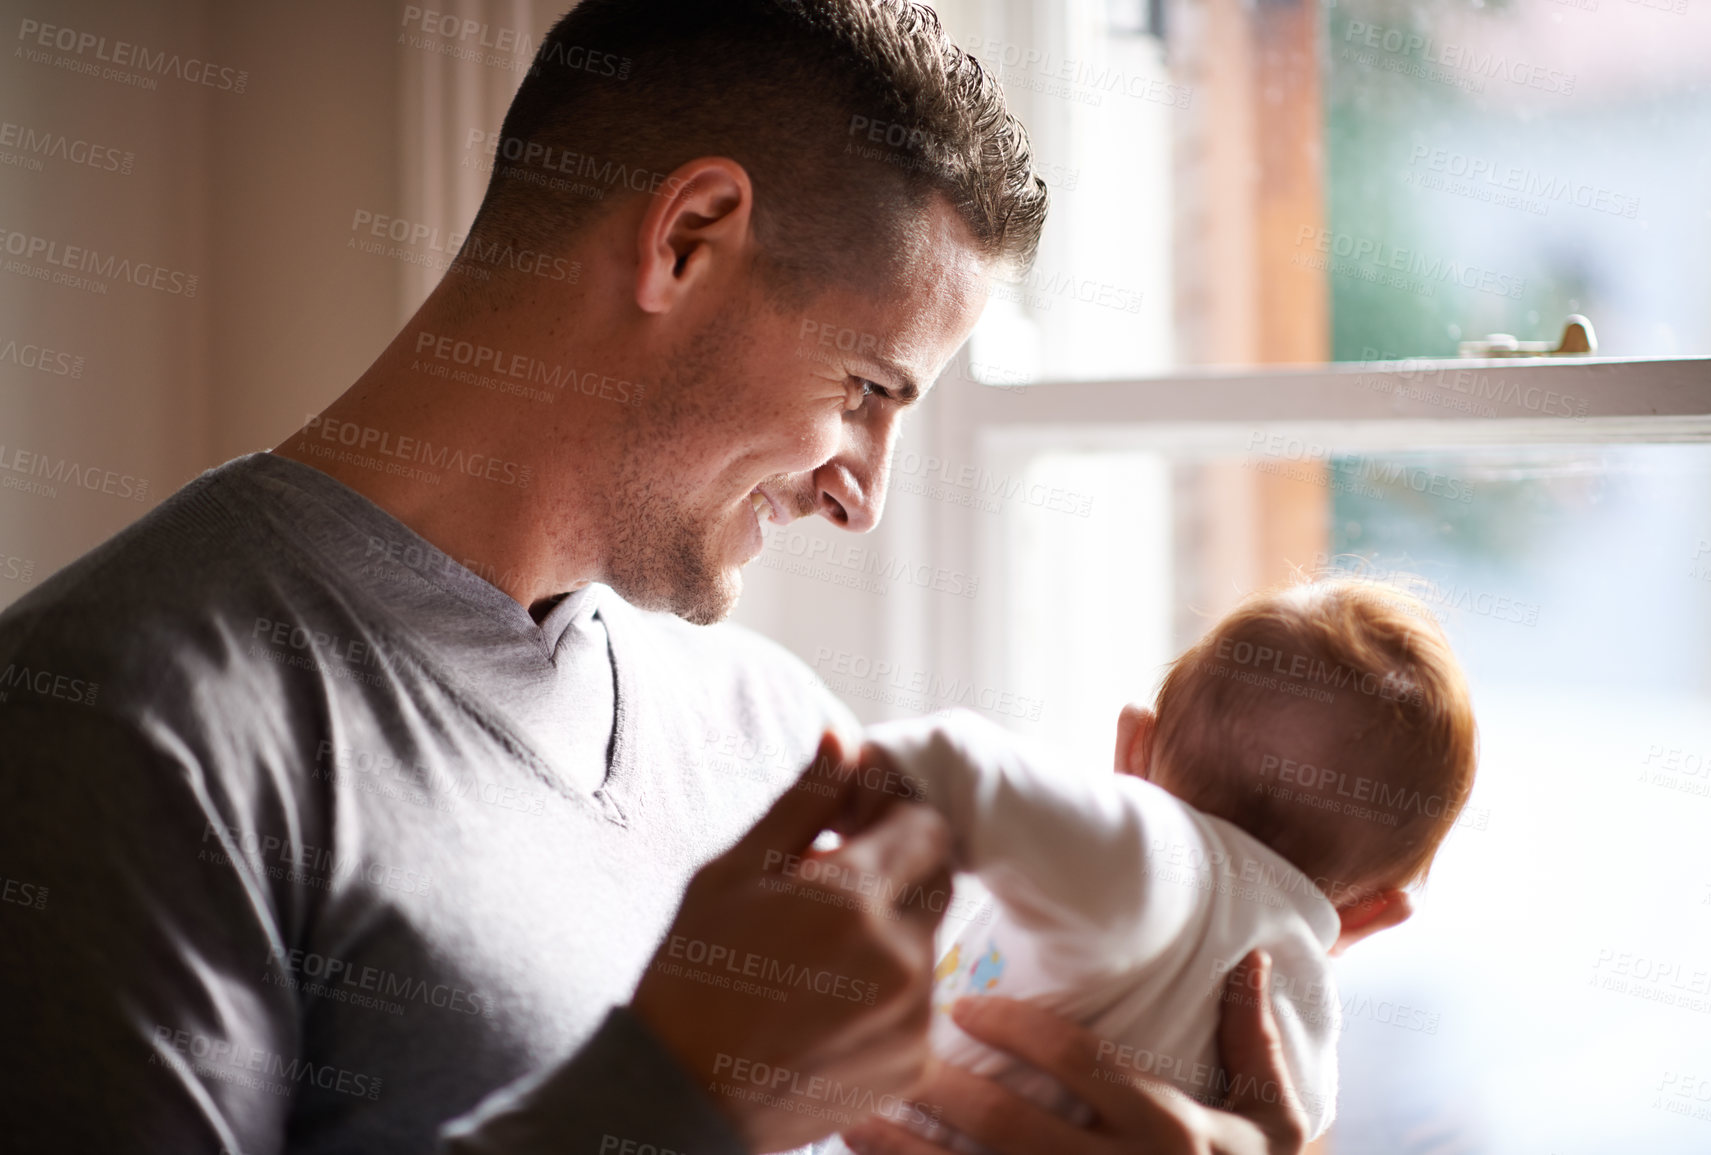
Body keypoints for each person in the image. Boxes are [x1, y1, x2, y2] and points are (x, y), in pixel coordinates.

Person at [0, 2, 1307, 1153]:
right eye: (864, 389)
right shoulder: (106, 726)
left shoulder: (780, 739)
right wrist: (673, 1099)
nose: (863, 494)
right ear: (686, 237)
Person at [821, 579, 1478, 1152]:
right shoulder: (1302, 1053)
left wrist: (831, 798)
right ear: (1371, 913)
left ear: (1134, 750)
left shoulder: (1155, 855)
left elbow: (960, 761)